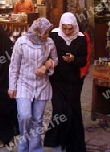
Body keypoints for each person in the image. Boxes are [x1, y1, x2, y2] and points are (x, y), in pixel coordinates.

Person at [8, 18, 58, 152]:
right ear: (37, 31)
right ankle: (23, 146)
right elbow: (14, 65)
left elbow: (55, 60)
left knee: (37, 118)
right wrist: (12, 86)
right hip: (24, 83)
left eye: (48, 32)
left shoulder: (50, 43)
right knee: (24, 116)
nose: (47, 35)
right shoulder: (22, 42)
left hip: (42, 85)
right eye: (45, 32)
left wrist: (46, 66)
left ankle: (35, 148)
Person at [44, 12, 88, 152]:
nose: (68, 31)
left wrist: (73, 59)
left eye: (70, 28)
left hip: (73, 83)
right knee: (59, 110)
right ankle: (56, 144)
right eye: (65, 28)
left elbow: (83, 60)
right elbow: (46, 53)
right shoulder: (54, 36)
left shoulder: (80, 39)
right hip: (57, 81)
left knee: (73, 112)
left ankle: (73, 146)